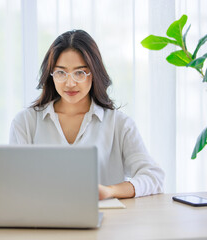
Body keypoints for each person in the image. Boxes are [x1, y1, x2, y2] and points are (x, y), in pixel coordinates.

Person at [9, 29, 164, 200]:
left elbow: (153, 177)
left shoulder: (119, 124)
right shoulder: (25, 122)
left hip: (108, 222)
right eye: (61, 72)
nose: (70, 83)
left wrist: (110, 191)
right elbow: (15, 183)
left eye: (80, 73)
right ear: (51, 74)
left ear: (94, 73)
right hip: (42, 221)